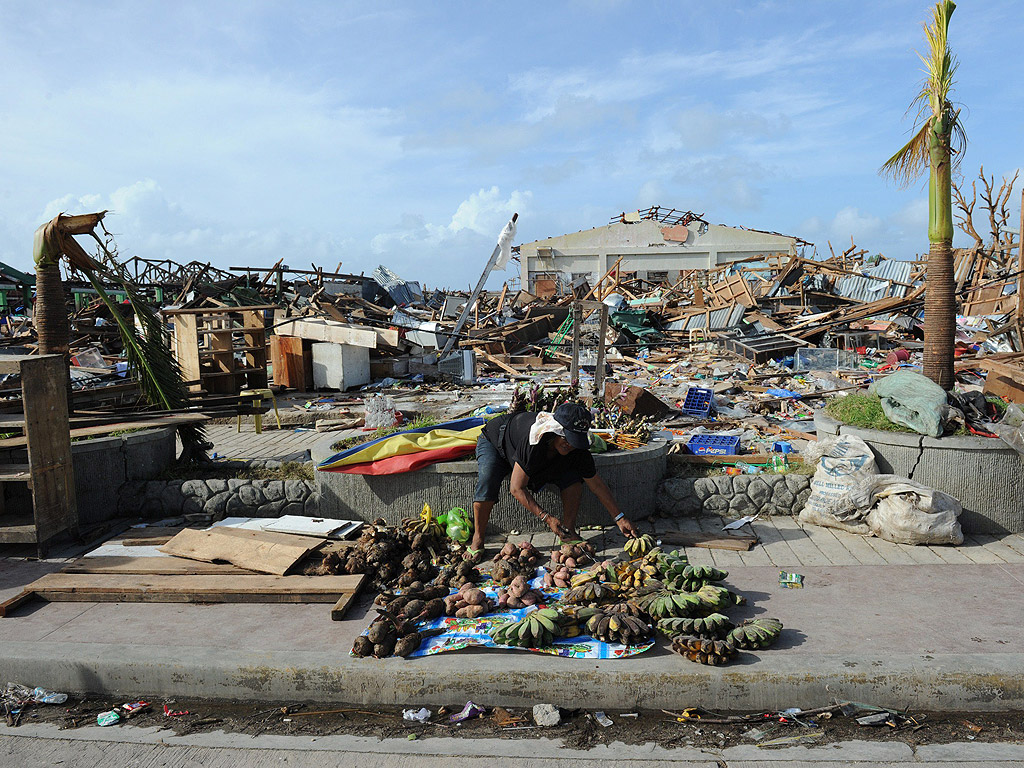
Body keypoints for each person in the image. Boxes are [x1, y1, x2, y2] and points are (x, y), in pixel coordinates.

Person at [467, 401, 639, 560]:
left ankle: (568, 532)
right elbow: (516, 488)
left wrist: (620, 517)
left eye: (573, 441)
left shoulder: (577, 450)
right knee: (488, 478)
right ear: (556, 430)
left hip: (534, 457)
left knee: (572, 478)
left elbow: (596, 484)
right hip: (496, 442)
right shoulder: (535, 439)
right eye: (565, 438)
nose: (569, 445)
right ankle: (478, 537)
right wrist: (547, 518)